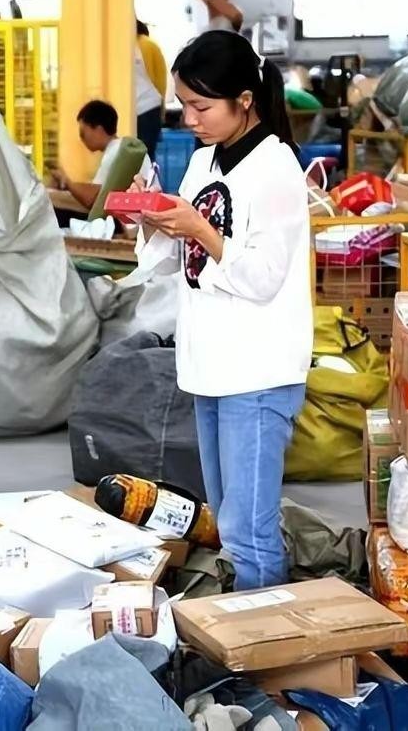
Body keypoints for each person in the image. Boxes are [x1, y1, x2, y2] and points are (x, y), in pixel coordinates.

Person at [130, 30, 311, 591]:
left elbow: (261, 277)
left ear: (244, 100)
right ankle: (244, 625)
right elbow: (177, 259)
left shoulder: (276, 168)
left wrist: (199, 228)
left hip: (257, 372)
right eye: (183, 104)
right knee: (228, 523)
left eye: (201, 107)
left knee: (249, 529)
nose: (189, 119)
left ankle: (265, 634)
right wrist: (151, 220)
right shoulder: (204, 161)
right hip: (211, 365)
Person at [49, 99, 152, 227]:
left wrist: (66, 182)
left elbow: (92, 199)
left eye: (83, 133)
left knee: (53, 207)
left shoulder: (115, 152)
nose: (82, 139)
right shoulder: (120, 148)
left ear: (98, 129)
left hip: (123, 223)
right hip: (135, 217)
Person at [135, 20, 166, 159]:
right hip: (149, 106)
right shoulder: (149, 45)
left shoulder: (144, 45)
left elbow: (159, 80)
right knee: (146, 155)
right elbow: (160, 82)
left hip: (145, 106)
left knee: (140, 155)